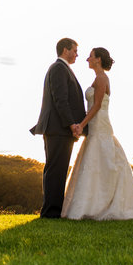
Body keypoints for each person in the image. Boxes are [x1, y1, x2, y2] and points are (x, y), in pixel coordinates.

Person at [61, 47, 133, 220]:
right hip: (95, 126)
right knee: (94, 161)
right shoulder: (98, 78)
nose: (87, 59)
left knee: (102, 160)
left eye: (90, 56)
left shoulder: (102, 78)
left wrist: (81, 125)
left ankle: (101, 206)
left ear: (98, 59)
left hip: (99, 125)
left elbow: (97, 105)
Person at [30, 38, 87, 218]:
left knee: (58, 169)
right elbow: (60, 100)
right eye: (75, 50)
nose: (77, 54)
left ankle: (53, 210)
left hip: (59, 129)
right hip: (58, 129)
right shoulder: (58, 69)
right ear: (65, 50)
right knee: (56, 170)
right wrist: (72, 125)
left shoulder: (62, 69)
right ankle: (51, 212)